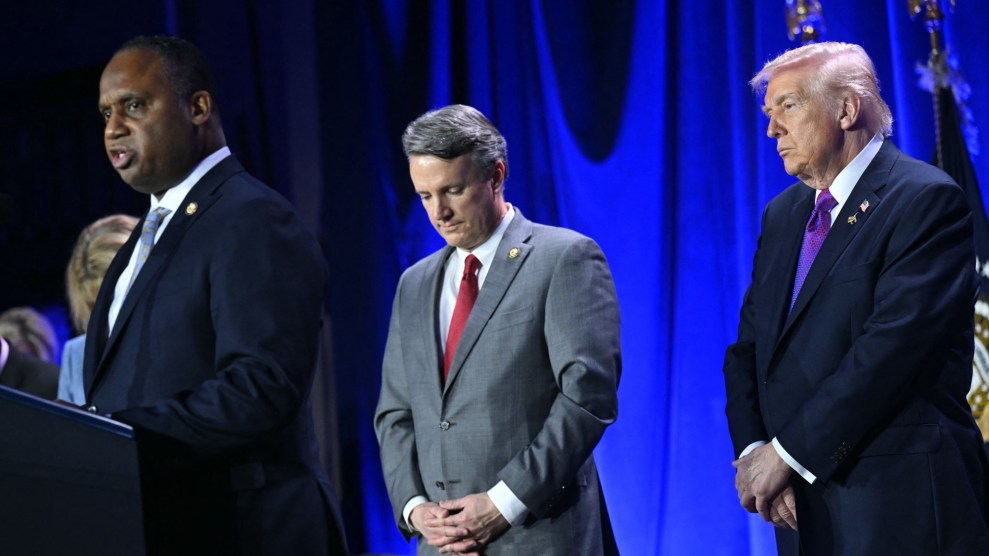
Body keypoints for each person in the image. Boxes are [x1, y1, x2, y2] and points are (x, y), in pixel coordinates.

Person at [724, 42, 989, 555]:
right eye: (769, 113)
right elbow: (749, 351)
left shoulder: (924, 200)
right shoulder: (783, 216)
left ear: (846, 109)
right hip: (798, 508)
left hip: (896, 508)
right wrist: (756, 452)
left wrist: (787, 455)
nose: (771, 130)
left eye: (788, 107)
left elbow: (887, 354)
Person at [86, 35, 346, 554]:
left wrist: (117, 437)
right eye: (106, 112)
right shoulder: (146, 235)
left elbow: (261, 387)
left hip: (245, 531)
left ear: (198, 107)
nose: (114, 127)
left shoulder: (252, 218)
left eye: (134, 106)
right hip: (163, 529)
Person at [374, 104, 621, 555]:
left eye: (452, 190)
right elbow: (395, 412)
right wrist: (414, 508)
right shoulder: (415, 284)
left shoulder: (564, 258)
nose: (439, 213)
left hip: (541, 537)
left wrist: (501, 503)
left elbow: (587, 398)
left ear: (496, 175)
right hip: (443, 546)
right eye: (425, 196)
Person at [59, 214, 138, 404]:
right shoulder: (76, 355)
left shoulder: (187, 338)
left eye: (121, 300)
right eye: (98, 306)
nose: (113, 316)